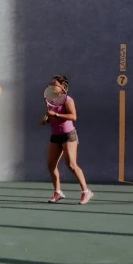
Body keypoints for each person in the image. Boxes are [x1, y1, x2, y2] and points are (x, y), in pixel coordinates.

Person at [40, 75, 94, 205]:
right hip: (55, 135)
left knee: (71, 165)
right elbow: (50, 115)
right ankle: (58, 192)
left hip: (68, 135)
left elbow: (73, 116)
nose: (52, 86)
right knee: (51, 165)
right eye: (51, 84)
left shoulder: (68, 100)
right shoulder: (51, 100)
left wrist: (56, 115)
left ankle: (86, 192)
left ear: (63, 87)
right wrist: (45, 120)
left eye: (55, 84)